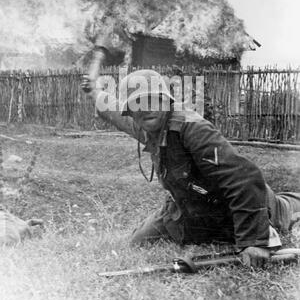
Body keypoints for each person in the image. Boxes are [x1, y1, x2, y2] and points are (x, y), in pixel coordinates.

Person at [82, 69, 300, 268]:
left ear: (165, 101)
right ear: (130, 111)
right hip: (189, 208)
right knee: (138, 242)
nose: (146, 107)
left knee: (282, 209)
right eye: (138, 102)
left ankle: (289, 204)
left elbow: (244, 178)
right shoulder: (147, 124)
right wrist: (95, 91)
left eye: (153, 100)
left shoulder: (192, 128)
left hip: (227, 206)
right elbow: (110, 109)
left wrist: (255, 241)